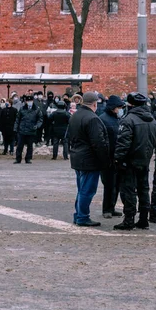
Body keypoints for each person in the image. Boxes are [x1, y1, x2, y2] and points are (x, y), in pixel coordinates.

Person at [113, 92, 156, 230]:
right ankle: (144, 219)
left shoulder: (128, 120)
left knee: (129, 191)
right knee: (143, 190)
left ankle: (129, 220)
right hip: (144, 160)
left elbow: (123, 143)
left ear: (130, 105)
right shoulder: (151, 120)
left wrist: (117, 159)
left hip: (129, 161)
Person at [68, 91, 110, 227]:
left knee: (81, 189)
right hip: (89, 160)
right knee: (87, 190)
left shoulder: (75, 116)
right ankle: (82, 216)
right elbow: (99, 143)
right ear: (94, 103)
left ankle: (78, 214)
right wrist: (105, 161)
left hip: (77, 157)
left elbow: (68, 136)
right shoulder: (92, 119)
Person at [98, 95, 125, 219]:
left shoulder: (117, 119)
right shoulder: (103, 119)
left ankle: (112, 207)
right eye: (118, 107)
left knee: (117, 185)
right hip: (108, 158)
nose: (119, 110)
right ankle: (106, 209)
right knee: (109, 185)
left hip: (117, 157)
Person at [14, 95, 43, 164]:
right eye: (28, 101)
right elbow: (17, 119)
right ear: (26, 102)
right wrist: (15, 128)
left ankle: (28, 158)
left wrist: (37, 126)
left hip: (31, 130)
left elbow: (40, 119)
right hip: (22, 130)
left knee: (30, 146)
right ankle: (18, 159)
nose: (29, 102)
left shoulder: (36, 109)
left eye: (30, 101)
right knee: (20, 146)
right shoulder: (22, 109)